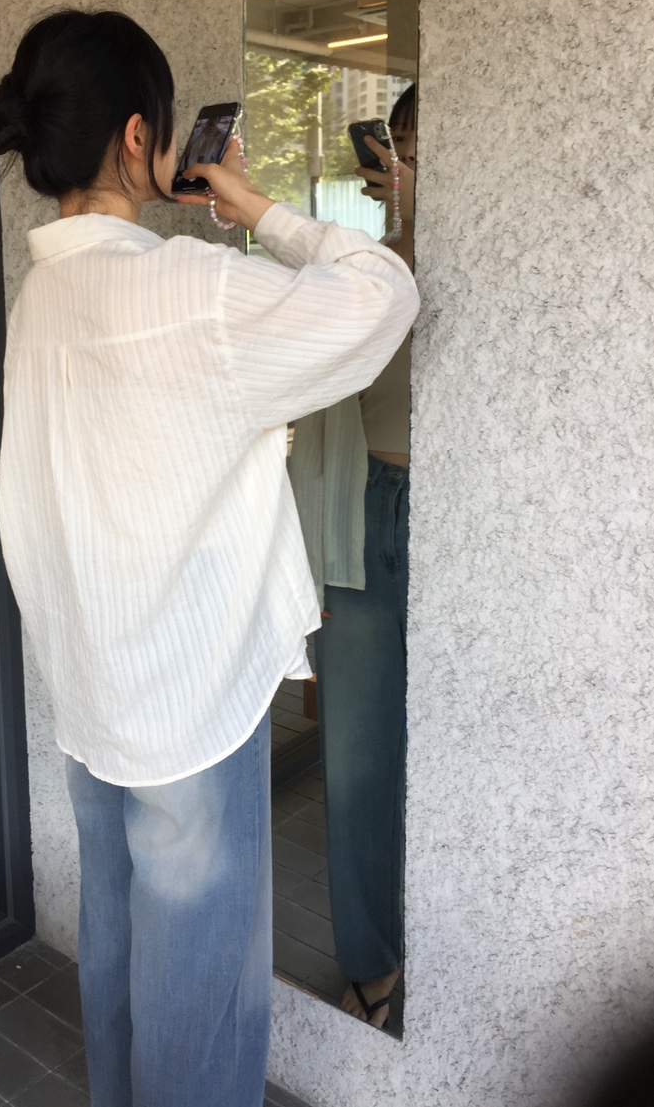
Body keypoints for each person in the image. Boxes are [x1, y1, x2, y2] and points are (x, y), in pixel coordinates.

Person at [0, 9, 418, 1107]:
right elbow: (383, 293)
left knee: (120, 946)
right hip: (191, 694)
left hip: (92, 688)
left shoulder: (39, 298)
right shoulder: (191, 290)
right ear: (141, 138)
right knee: (205, 986)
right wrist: (255, 206)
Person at [287, 84, 416, 1030]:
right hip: (368, 505)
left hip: (468, 512)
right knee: (360, 750)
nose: (404, 161)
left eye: (420, 146)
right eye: (399, 142)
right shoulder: (369, 269)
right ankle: (373, 957)